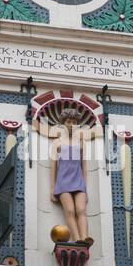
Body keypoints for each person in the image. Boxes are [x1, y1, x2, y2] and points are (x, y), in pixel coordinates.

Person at [49, 105, 98, 247]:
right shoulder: (56, 143)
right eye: (69, 122)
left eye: (74, 122)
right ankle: (77, 239)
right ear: (63, 124)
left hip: (78, 181)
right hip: (63, 181)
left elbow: (85, 166)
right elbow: (53, 167)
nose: (71, 125)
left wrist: (85, 188)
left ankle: (85, 237)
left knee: (81, 210)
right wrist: (52, 188)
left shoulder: (81, 143)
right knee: (70, 210)